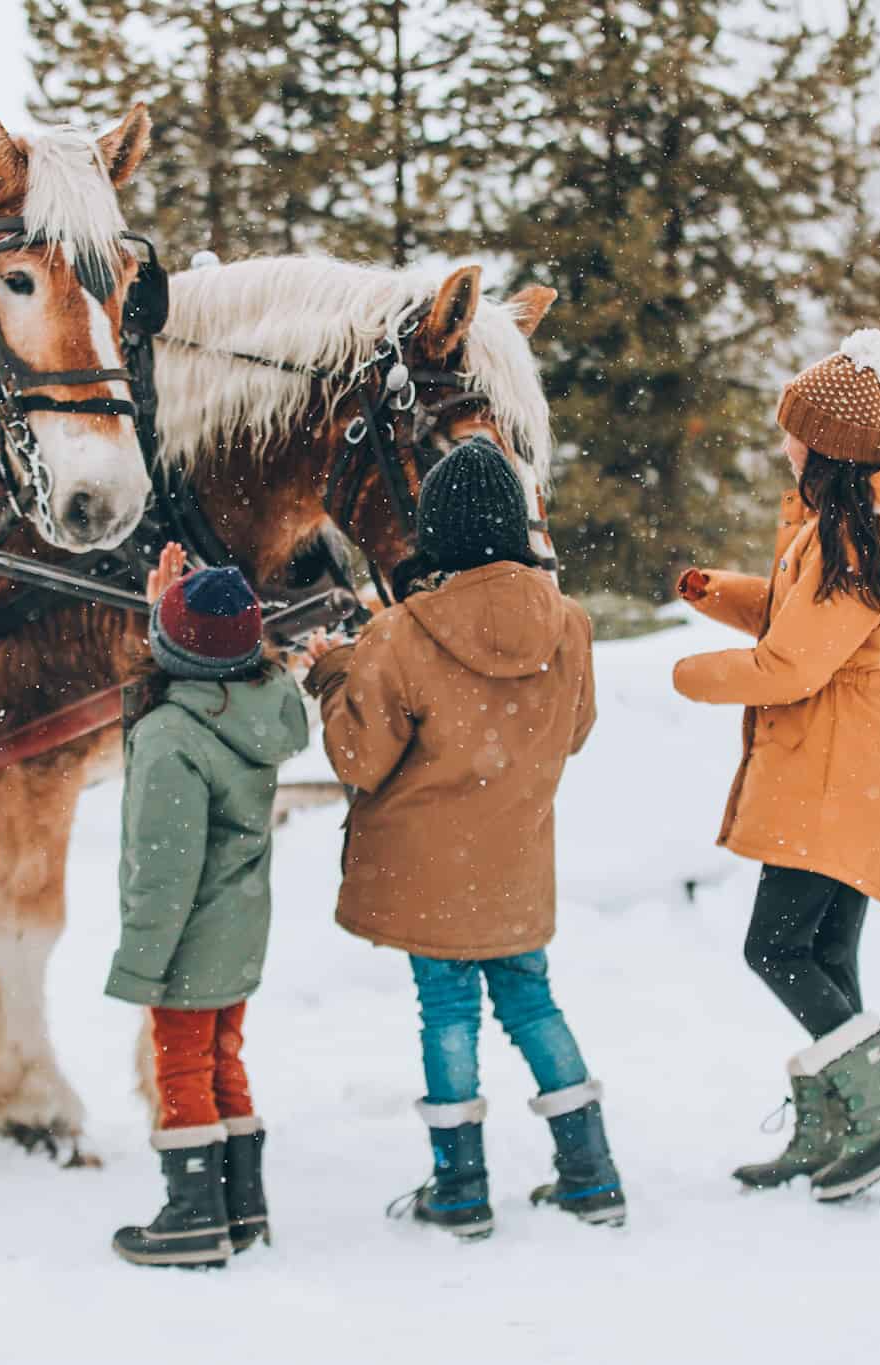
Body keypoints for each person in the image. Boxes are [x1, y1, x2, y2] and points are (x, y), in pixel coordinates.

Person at [302, 437, 623, 1241]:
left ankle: (461, 1186)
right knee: (532, 1001)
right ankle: (590, 1172)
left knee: (447, 1013)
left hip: (430, 878)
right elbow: (575, 729)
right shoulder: (569, 624)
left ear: (436, 532)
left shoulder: (401, 635)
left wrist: (332, 673)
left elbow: (357, 757)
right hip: (516, 864)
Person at [671, 328, 880, 1202]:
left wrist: (688, 676)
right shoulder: (849, 528)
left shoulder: (854, 541)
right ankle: (839, 1123)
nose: (783, 443)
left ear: (824, 444)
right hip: (856, 768)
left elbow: (793, 664)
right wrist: (719, 593)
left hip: (836, 772)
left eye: (793, 431)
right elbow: (799, 623)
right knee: (825, 952)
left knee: (777, 946)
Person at [107, 543, 309, 1268]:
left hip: (189, 936)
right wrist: (174, 622)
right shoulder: (255, 707)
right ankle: (240, 1205)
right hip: (240, 926)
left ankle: (193, 1213)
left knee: (181, 1068)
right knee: (223, 1058)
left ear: (169, 651)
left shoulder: (170, 739)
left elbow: (164, 871)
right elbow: (198, 667)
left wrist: (141, 960)